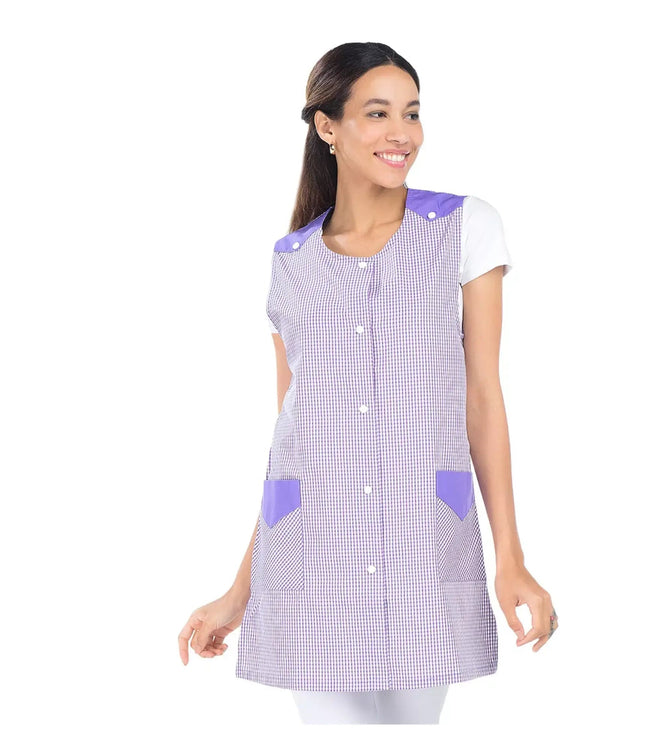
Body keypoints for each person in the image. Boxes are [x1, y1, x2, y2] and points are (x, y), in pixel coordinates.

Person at [178, 41, 558, 725]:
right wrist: (240, 591)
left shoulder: (464, 227)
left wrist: (511, 557)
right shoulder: (291, 262)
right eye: (378, 113)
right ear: (328, 127)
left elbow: (481, 398)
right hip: (311, 565)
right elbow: (292, 451)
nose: (401, 132)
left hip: (423, 549)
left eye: (412, 113)